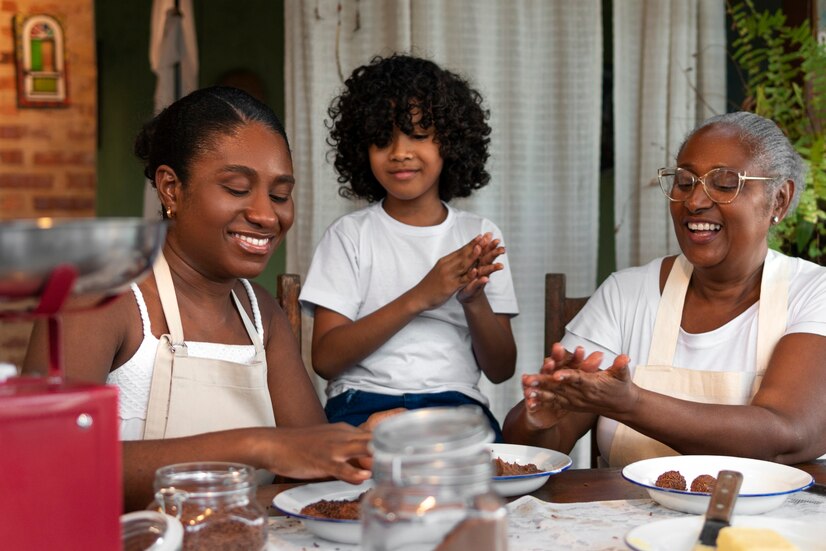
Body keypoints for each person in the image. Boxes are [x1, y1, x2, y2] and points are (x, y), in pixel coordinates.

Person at [23, 87, 378, 511]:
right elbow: (42, 461)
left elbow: (313, 460)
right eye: (236, 188)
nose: (267, 215)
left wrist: (367, 444)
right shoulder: (101, 295)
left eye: (280, 195)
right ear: (171, 188)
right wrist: (259, 446)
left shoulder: (260, 314)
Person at [503, 111, 826, 467]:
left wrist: (631, 403)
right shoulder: (626, 294)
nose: (694, 202)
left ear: (778, 199)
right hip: (627, 521)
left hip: (767, 523)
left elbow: (789, 434)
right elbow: (530, 448)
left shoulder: (813, 293)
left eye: (724, 183)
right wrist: (539, 419)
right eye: (685, 181)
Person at [299, 54, 519, 441]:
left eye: (418, 135)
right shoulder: (349, 235)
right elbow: (326, 360)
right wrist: (421, 296)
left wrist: (473, 301)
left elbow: (501, 368)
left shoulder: (478, 234)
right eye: (383, 139)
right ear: (361, 149)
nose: (400, 152)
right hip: (361, 405)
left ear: (449, 142)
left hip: (456, 408)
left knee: (488, 484)